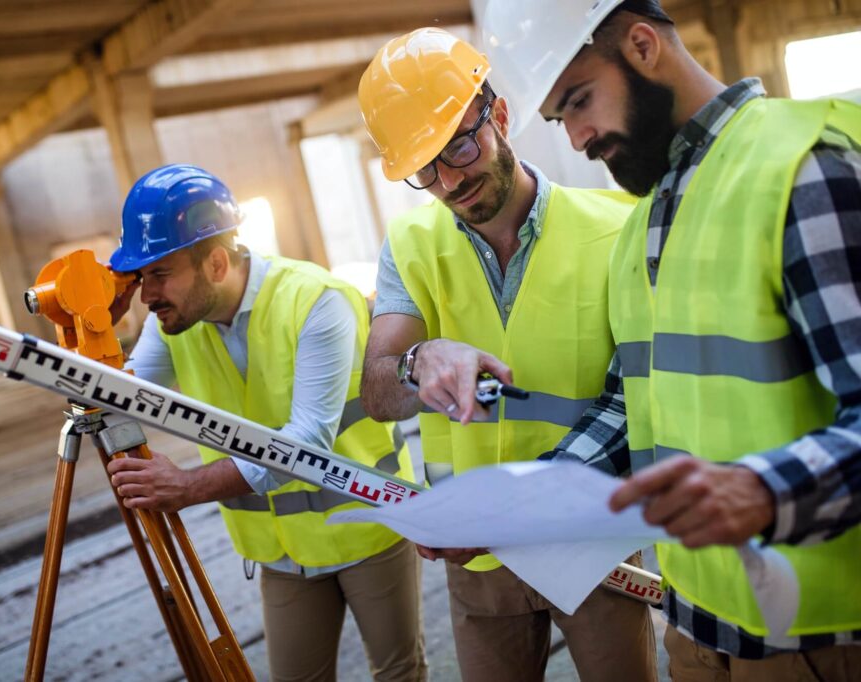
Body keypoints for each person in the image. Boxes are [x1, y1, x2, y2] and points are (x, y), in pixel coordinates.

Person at [483, 0, 861, 678]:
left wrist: (763, 491)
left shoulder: (802, 173)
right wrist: (527, 501)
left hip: (814, 639)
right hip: (693, 625)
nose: (576, 139)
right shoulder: (643, 226)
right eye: (558, 119)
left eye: (578, 102)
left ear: (641, 45)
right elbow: (635, 405)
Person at [357, 28, 657, 682]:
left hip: (593, 540)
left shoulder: (615, 230)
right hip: (479, 554)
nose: (448, 180)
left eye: (459, 146)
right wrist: (418, 361)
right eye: (424, 168)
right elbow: (380, 392)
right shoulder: (409, 245)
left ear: (498, 115)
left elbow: (640, 400)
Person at [105, 164, 427, 682]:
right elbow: (112, 401)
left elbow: (308, 443)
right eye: (141, 278)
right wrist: (97, 323)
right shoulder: (172, 324)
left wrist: (188, 486)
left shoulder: (316, 301)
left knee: (397, 673)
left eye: (159, 275)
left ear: (214, 263)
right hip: (282, 550)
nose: (146, 295)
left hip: (368, 528)